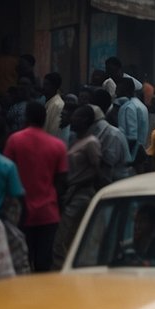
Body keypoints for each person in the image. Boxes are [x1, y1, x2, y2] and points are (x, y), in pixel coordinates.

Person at [2, 101, 67, 272]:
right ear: (45, 118)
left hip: (21, 212)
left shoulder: (15, 140)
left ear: (27, 117)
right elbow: (62, 181)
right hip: (48, 212)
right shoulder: (57, 145)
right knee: (44, 264)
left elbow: (7, 173)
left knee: (22, 262)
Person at [54, 106, 103, 268]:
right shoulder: (76, 140)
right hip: (71, 193)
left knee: (62, 238)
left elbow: (97, 170)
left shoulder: (91, 143)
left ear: (86, 121)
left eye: (76, 117)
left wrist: (75, 183)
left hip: (81, 194)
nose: (72, 119)